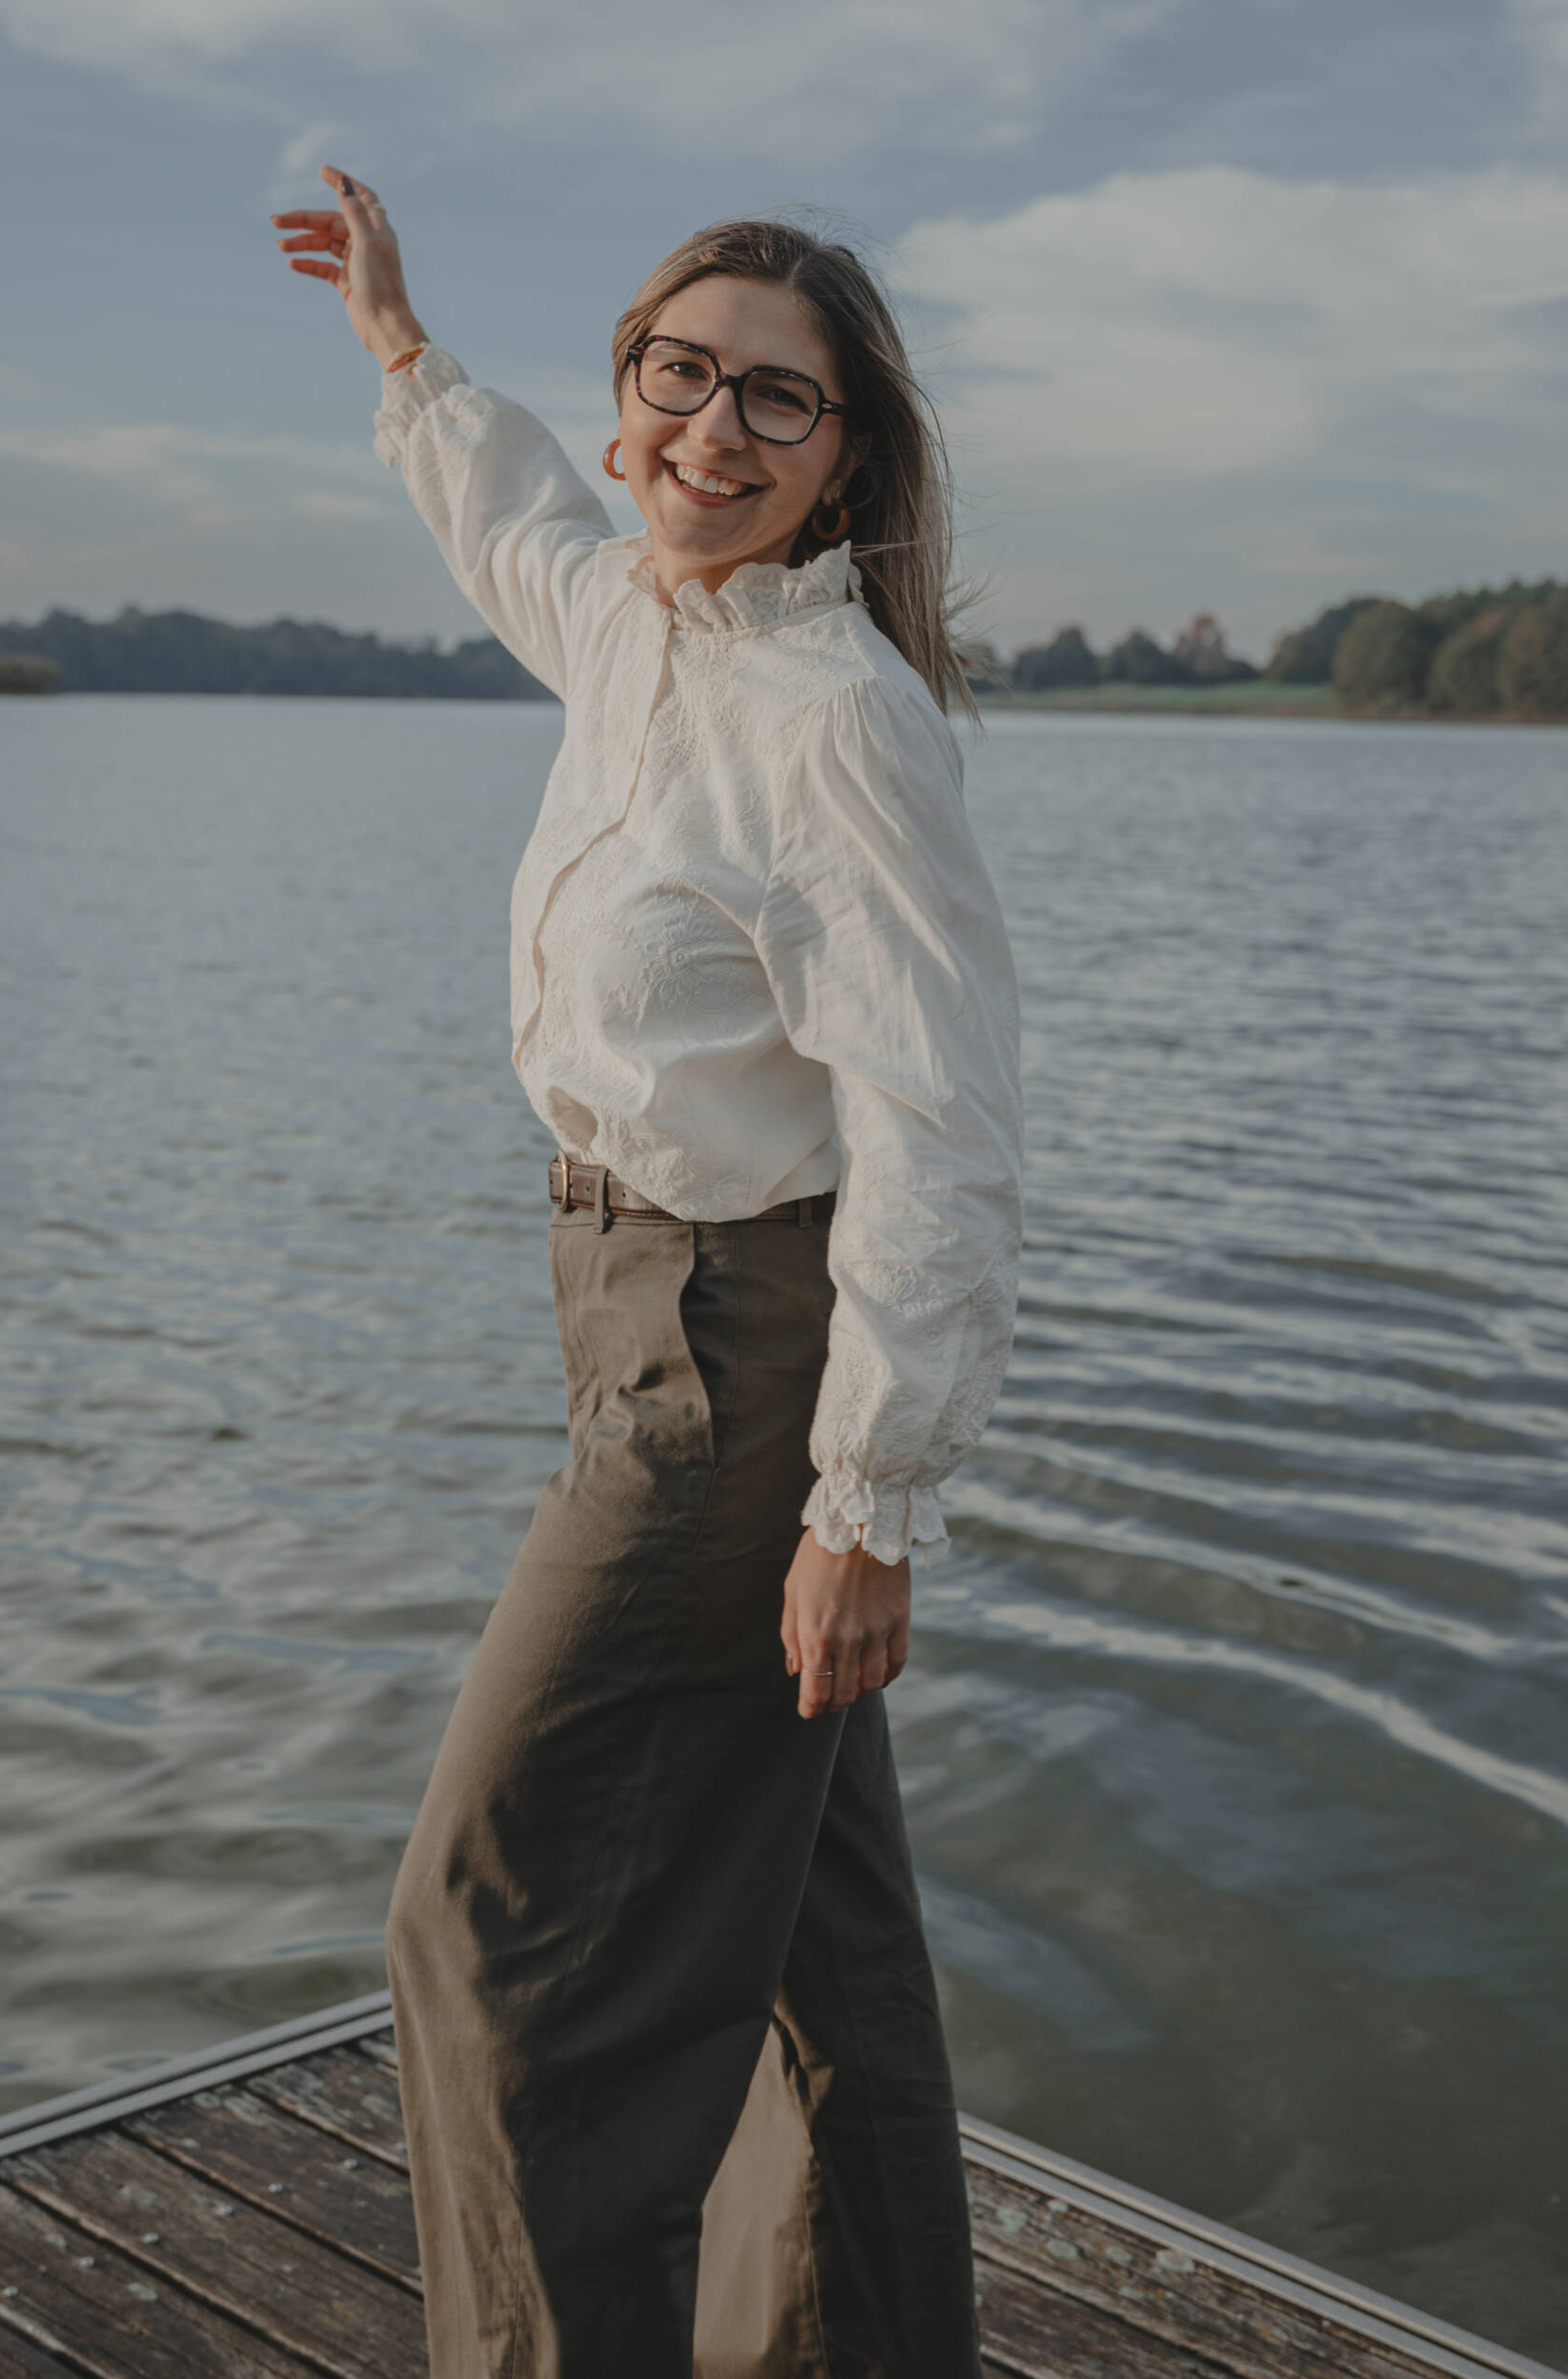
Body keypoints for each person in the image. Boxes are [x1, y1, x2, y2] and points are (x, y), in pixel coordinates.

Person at [270, 164, 1023, 2379]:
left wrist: (866, 1498)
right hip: (625, 1311)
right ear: (625, 404)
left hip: (738, 1361)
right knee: (813, 1942)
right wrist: (403, 353)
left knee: (490, 1926)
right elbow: (504, 521)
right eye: (673, 374)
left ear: (845, 458)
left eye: (772, 401)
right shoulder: (626, 619)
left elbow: (943, 1132)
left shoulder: (835, 721)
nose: (711, 427)